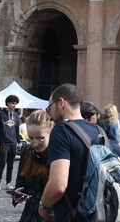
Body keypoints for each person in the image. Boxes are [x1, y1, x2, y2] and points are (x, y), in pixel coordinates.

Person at [39, 84, 101, 222]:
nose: (50, 116)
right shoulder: (99, 131)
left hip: (73, 214)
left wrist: (43, 205)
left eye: (50, 109)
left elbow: (58, 186)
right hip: (97, 213)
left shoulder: (62, 131)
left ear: (61, 103)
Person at [12, 110, 53, 222]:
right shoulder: (27, 151)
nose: (35, 143)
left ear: (50, 131)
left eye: (40, 138)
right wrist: (18, 193)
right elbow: (21, 182)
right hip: (29, 215)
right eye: (31, 138)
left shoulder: (59, 155)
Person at [0, 94, 22, 191]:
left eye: (15, 103)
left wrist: (18, 142)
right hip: (3, 142)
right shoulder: (1, 114)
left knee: (11, 163)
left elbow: (17, 130)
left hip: (13, 142)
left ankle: (8, 182)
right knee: (2, 163)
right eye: (13, 103)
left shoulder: (15, 115)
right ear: (8, 103)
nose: (14, 105)